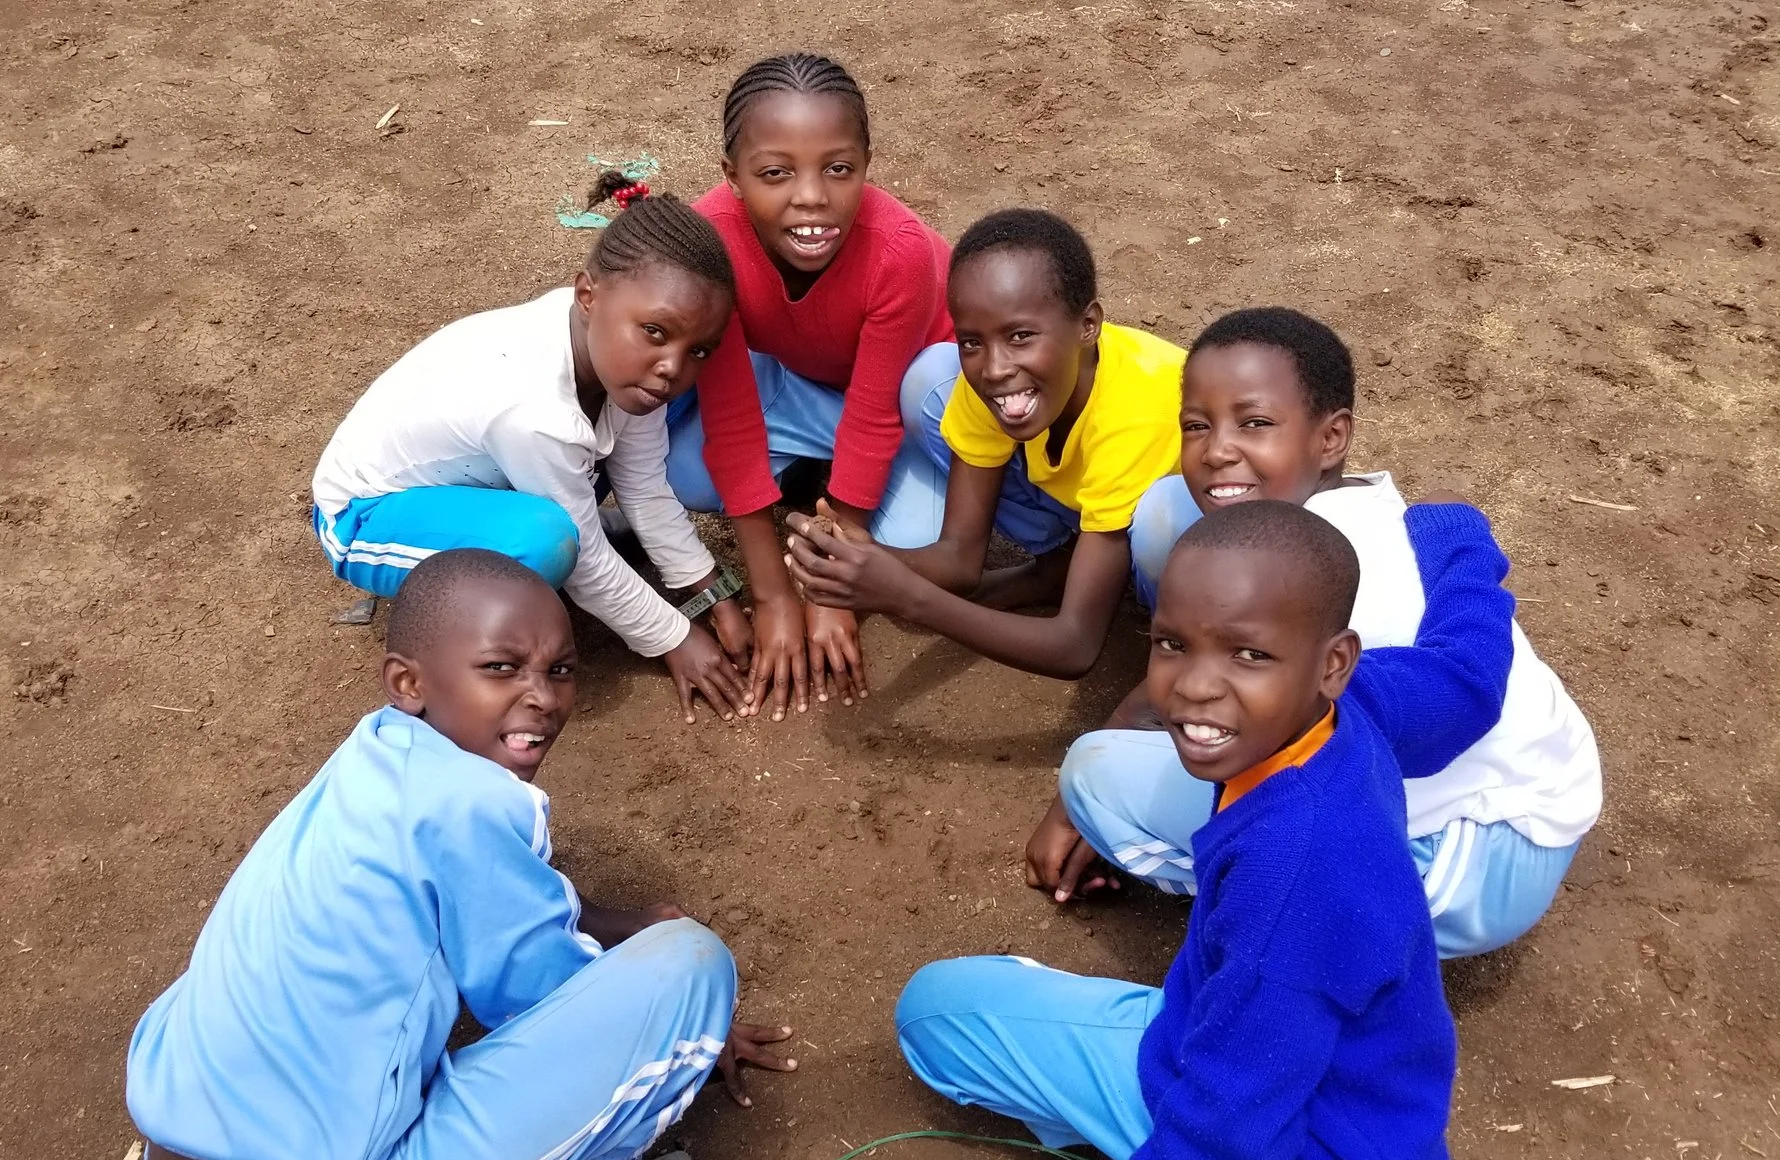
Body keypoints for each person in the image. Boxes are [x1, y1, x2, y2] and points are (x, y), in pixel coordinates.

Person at [126, 550, 796, 1160]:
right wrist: (688, 1027)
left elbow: (487, 880)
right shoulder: (470, 803)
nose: (541, 695)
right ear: (408, 681)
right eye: (501, 667)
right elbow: (548, 997)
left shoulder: (380, 754)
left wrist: (621, 923)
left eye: (560, 669)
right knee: (690, 964)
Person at [898, 500, 1518, 1160]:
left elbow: (1234, 1121)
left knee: (937, 1022)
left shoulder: (1290, 869)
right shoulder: (1350, 704)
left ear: (1334, 662)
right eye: (1172, 643)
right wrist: (1461, 542)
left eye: (1248, 653)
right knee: (934, 1012)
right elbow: (1468, 674)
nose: (1194, 683)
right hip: (1292, 1094)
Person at [1029, 308, 1603, 958]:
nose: (1217, 448)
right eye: (1197, 425)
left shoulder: (1328, 591)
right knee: (1167, 510)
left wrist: (1074, 805)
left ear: (1330, 439)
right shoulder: (1356, 511)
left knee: (1095, 774)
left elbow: (1235, 721)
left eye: (1254, 423)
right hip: (1536, 781)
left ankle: (1282, 912)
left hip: (1470, 857)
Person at [309, 171, 755, 726]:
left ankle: (534, 535)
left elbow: (644, 485)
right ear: (587, 293)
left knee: (581, 505)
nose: (673, 368)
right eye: (657, 333)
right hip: (365, 516)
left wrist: (711, 592)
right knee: (547, 545)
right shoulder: (533, 408)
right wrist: (675, 637)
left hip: (479, 479)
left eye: (700, 352)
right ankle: (449, 588)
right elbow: (586, 562)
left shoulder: (622, 358)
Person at [663, 51, 965, 719]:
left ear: (865, 165)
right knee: (687, 471)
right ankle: (817, 482)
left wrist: (830, 588)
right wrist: (772, 595)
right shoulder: (709, 244)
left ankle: (834, 494)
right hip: (802, 385)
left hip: (911, 399)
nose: (811, 197)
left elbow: (877, 410)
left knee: (913, 545)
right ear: (733, 177)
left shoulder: (899, 251)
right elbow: (732, 413)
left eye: (839, 169)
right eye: (775, 173)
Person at [779, 209, 1185, 680]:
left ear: (1088, 325)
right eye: (971, 341)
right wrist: (862, 556)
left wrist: (908, 597)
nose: (994, 367)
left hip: (1188, 548)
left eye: (1020, 336)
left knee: (1159, 519)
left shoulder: (1134, 410)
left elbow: (1075, 647)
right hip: (1095, 505)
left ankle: (1175, 639)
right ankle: (1063, 565)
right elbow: (959, 557)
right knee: (931, 376)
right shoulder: (1001, 384)